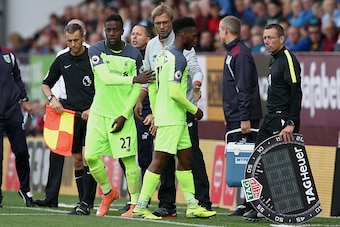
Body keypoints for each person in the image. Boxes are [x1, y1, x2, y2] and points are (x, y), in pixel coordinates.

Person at [132, 16, 217, 220]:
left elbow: (152, 85)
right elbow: (174, 92)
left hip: (174, 118)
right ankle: (141, 206)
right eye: (194, 36)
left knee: (186, 159)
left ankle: (192, 205)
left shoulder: (163, 55)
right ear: (184, 35)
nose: (196, 40)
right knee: (159, 161)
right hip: (172, 117)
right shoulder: (178, 58)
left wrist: (155, 110)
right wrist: (194, 110)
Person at [84, 14, 153, 217]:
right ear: (105, 30)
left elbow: (138, 88)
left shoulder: (134, 54)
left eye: (115, 30)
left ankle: (134, 204)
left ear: (122, 30)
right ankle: (108, 192)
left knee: (128, 159)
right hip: (98, 113)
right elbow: (105, 78)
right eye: (108, 30)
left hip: (122, 116)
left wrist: (124, 114)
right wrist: (133, 78)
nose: (112, 34)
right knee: (90, 156)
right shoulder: (96, 50)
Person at [34, 19, 97, 216]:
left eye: (76, 41)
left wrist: (94, 108)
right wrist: (52, 99)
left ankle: (87, 203)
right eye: (69, 41)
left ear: (83, 37)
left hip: (93, 114)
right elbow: (45, 84)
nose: (72, 45)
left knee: (90, 158)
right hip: (73, 116)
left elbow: (104, 86)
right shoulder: (62, 60)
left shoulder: (94, 57)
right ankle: (82, 203)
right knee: (78, 160)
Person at [243, 23, 302, 221]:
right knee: (254, 162)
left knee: (281, 167)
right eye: (264, 37)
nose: (266, 41)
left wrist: (292, 122)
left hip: (283, 119)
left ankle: (286, 208)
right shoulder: (273, 60)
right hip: (270, 117)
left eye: (270, 37)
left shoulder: (287, 60)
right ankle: (257, 206)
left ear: (282, 39)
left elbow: (296, 92)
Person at [218, 15, 263, 216]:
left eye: (220, 30)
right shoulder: (232, 52)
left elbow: (244, 89)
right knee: (244, 163)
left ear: (225, 30)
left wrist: (244, 117)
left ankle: (255, 203)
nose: (218, 34)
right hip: (236, 115)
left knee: (249, 162)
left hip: (243, 117)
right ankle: (248, 202)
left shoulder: (239, 54)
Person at [118, 24, 154, 212]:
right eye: (132, 34)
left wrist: (152, 112)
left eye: (138, 34)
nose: (134, 37)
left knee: (145, 156)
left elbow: (153, 85)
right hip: (127, 110)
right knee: (123, 155)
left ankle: (144, 198)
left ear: (148, 39)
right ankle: (135, 196)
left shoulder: (151, 56)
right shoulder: (127, 56)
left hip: (145, 110)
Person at [0, 46, 35, 208]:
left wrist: (25, 99)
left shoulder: (8, 54)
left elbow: (18, 78)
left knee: (21, 151)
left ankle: (25, 189)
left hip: (13, 111)